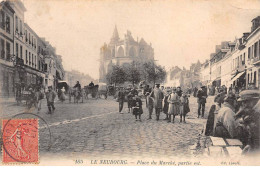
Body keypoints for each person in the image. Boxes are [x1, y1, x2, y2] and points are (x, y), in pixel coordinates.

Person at [235, 90, 260, 154]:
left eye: (245, 102)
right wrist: (250, 144)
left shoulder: (257, 113)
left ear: (254, 100)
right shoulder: (253, 110)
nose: (244, 105)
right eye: (242, 102)